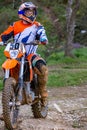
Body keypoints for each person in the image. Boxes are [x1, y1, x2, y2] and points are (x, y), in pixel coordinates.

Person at [0, 2, 48, 119]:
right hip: (16, 54)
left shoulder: (37, 26)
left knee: (43, 68)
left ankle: (43, 95)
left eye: (32, 12)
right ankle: (7, 108)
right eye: (28, 12)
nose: (31, 14)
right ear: (22, 13)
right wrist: (1, 40)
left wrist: (43, 38)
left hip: (31, 54)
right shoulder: (14, 25)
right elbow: (4, 35)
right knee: (7, 72)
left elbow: (42, 33)